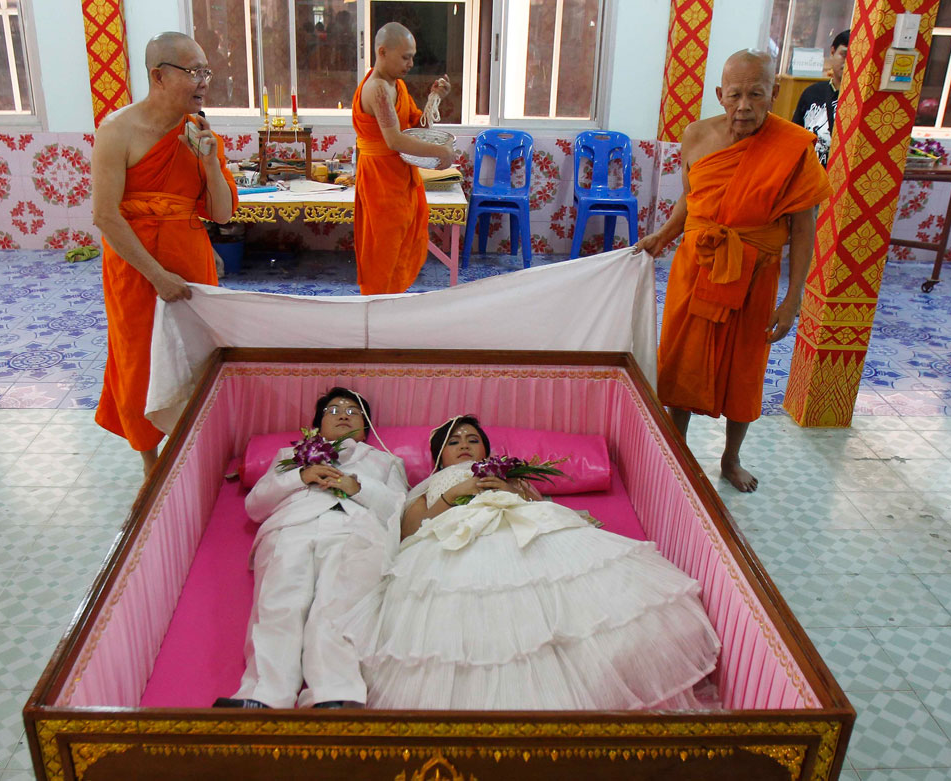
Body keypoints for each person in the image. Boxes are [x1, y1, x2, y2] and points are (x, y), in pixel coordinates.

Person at [345, 416, 721, 710]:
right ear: (438, 457)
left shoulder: (507, 473)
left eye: (472, 439)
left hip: (519, 526)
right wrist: (454, 494)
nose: (464, 445)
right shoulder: (434, 482)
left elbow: (540, 508)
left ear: (486, 449)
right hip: (457, 534)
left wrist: (511, 489)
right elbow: (410, 529)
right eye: (453, 442)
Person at [635, 50, 832, 493]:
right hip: (697, 265)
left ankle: (731, 458)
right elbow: (693, 198)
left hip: (755, 273)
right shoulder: (696, 135)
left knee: (745, 367)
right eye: (736, 95)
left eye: (756, 94)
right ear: (720, 94)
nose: (744, 106)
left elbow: (804, 228)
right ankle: (677, 452)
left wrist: (793, 298)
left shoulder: (794, 148)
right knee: (682, 360)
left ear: (774, 93)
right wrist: (663, 235)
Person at [92, 32, 239, 478]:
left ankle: (200, 447)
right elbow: (105, 215)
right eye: (193, 72)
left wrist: (210, 162)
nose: (204, 81)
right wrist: (156, 276)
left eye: (206, 71)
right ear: (158, 76)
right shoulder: (117, 131)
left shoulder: (199, 133)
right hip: (136, 268)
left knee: (198, 355)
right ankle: (151, 463)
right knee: (139, 358)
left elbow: (222, 213)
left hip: (190, 258)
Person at [214, 388, 408, 709]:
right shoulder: (290, 456)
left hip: (356, 531)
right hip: (291, 528)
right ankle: (264, 694)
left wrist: (358, 487)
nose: (343, 414)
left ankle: (334, 693)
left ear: (365, 427)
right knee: (279, 606)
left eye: (353, 411)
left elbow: (398, 512)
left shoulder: (386, 461)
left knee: (338, 609)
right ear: (318, 425)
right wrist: (301, 477)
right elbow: (255, 505)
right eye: (334, 410)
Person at [352, 22, 454, 295]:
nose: (411, 64)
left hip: (400, 178)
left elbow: (415, 128)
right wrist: (440, 151)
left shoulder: (396, 85)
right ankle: (376, 310)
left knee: (399, 248)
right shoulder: (377, 89)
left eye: (413, 57)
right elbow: (395, 140)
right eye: (405, 57)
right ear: (382, 52)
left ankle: (391, 305)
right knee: (382, 252)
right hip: (380, 181)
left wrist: (435, 98)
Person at [791, 29, 850, 168]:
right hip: (808, 173)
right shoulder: (812, 93)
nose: (848, 62)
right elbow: (794, 135)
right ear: (832, 51)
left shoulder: (859, 101)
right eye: (844, 55)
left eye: (853, 57)